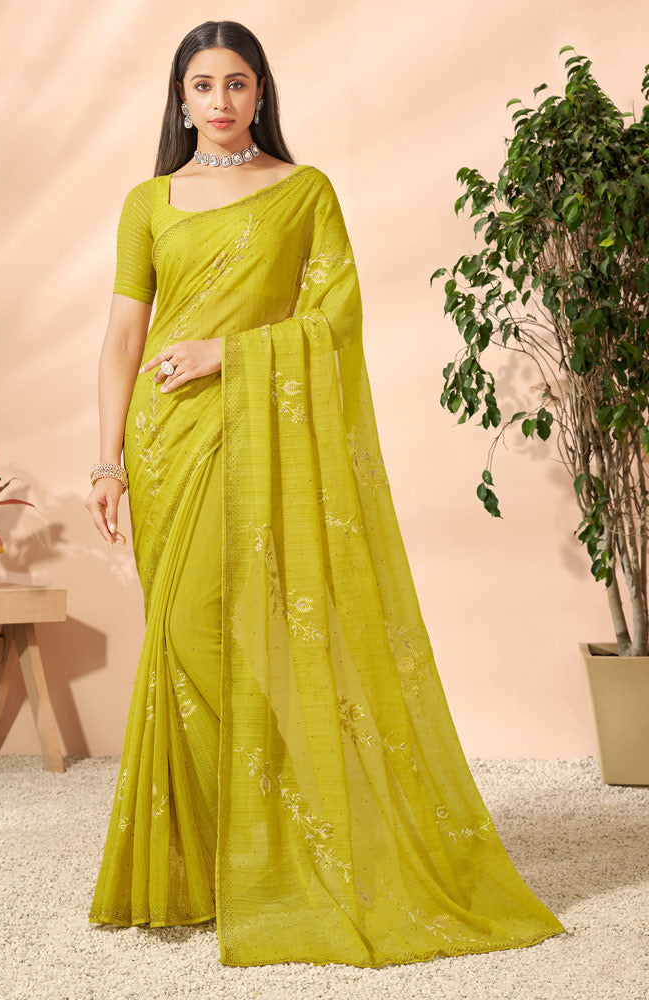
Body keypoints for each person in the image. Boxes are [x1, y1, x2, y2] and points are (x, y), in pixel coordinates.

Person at [85, 18, 567, 969]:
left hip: (253, 432)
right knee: (179, 642)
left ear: (261, 92)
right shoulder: (148, 202)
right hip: (164, 440)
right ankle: (221, 866)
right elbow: (121, 340)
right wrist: (106, 462)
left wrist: (229, 354)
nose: (219, 101)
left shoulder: (304, 192)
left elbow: (335, 321)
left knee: (223, 636)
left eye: (236, 83)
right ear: (179, 99)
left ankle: (297, 846)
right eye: (202, 86)